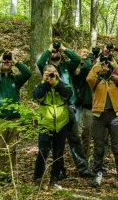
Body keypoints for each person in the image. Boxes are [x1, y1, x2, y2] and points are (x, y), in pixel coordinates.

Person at [37, 43, 94, 178]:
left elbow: (76, 59)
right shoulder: (46, 69)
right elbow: (39, 62)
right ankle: (59, 170)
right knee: (57, 143)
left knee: (74, 139)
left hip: (69, 107)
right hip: (52, 110)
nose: (55, 52)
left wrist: (63, 48)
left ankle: (83, 168)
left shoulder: (66, 65)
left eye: (57, 51)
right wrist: (50, 48)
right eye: (53, 51)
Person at [0, 50, 32, 184]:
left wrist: (16, 61)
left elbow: (28, 74)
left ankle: (10, 174)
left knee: (12, 148)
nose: (6, 63)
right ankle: (0, 175)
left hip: (14, 118)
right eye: (4, 61)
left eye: (8, 61)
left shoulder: (16, 79)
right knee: (0, 147)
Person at [86, 52, 118, 188]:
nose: (105, 66)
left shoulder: (116, 80)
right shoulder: (96, 80)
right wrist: (98, 63)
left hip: (115, 116)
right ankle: (98, 172)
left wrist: (114, 64)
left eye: (106, 64)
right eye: (103, 65)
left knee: (117, 147)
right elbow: (89, 78)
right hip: (99, 116)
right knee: (99, 147)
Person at [33, 65, 72, 188]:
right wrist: (45, 82)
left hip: (61, 124)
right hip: (45, 124)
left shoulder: (63, 85)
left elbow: (67, 94)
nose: (51, 74)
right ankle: (38, 178)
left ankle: (54, 179)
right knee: (43, 152)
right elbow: (37, 95)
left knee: (58, 153)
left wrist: (55, 82)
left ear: (58, 74)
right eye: (48, 72)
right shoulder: (40, 86)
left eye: (54, 72)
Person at [73, 47, 96, 159]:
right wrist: (91, 56)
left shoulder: (92, 67)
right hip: (76, 104)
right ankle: (77, 156)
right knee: (76, 132)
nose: (86, 54)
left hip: (88, 103)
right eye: (83, 52)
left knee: (87, 132)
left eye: (88, 52)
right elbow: (84, 70)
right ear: (78, 54)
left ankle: (85, 157)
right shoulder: (76, 67)